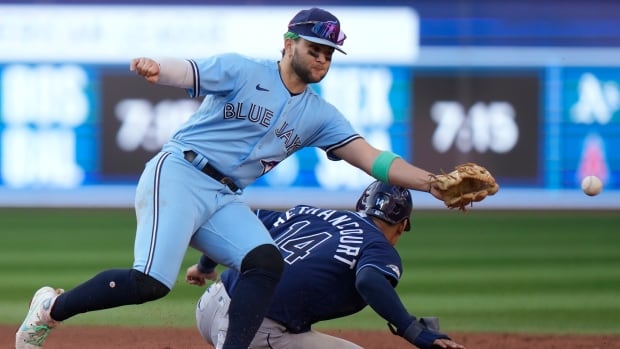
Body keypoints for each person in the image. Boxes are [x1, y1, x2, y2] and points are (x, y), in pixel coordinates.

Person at [16, 7, 449, 349]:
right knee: (149, 283)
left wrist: (431, 183)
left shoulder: (319, 115)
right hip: (181, 173)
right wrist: (157, 68)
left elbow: (373, 158)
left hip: (222, 197)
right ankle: (50, 309)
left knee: (265, 261)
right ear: (289, 43)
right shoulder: (245, 70)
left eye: (328, 53)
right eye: (314, 47)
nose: (321, 57)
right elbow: (190, 70)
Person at [188, 181, 465, 349]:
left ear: (362, 206)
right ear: (402, 225)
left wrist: (203, 267)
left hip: (209, 306)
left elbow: (239, 224)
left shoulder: (310, 212)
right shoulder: (378, 246)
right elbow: (369, 281)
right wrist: (413, 332)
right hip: (253, 332)